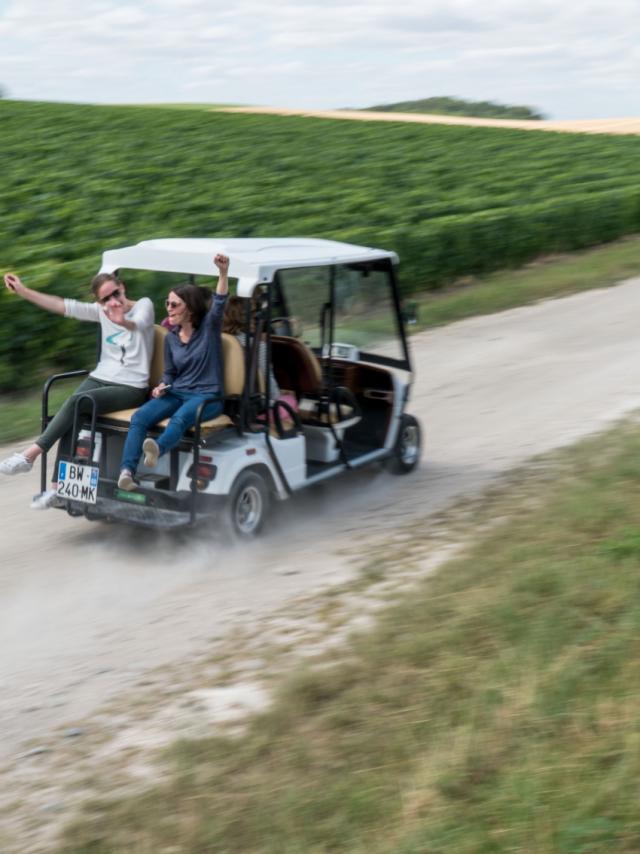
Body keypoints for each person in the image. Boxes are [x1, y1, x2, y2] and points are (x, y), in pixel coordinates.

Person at [0, 271, 155, 507]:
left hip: (131, 385)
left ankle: (29, 455)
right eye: (106, 299)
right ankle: (56, 488)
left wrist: (121, 320)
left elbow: (141, 324)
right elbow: (62, 306)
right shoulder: (103, 312)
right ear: (99, 302)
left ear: (122, 287)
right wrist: (23, 291)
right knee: (75, 411)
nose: (114, 300)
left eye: (116, 292)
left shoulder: (143, 305)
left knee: (78, 402)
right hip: (101, 376)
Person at [118, 254, 229, 490]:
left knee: (179, 418)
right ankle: (127, 471)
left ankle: (158, 448)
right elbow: (170, 373)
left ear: (189, 309)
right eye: (167, 303)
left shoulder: (208, 329)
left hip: (207, 396)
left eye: (174, 304)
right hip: (178, 392)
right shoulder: (171, 339)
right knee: (140, 417)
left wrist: (222, 272)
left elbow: (219, 302)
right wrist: (161, 386)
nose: (168, 308)